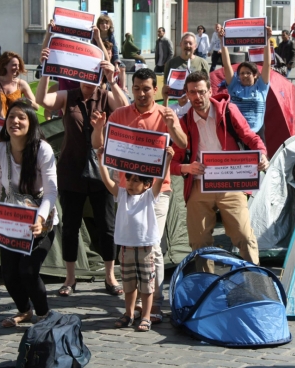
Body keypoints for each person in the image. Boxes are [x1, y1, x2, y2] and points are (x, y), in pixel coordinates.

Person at [91, 68, 186, 324]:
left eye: (146, 88)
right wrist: (99, 128)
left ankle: (153, 305)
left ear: (154, 89)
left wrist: (172, 126)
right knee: (131, 249)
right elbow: (99, 145)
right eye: (137, 88)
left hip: (157, 190)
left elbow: (183, 143)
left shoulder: (166, 113)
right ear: (131, 89)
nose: (142, 93)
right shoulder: (120, 114)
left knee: (152, 248)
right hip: (126, 190)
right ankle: (133, 308)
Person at [35, 47, 129, 297]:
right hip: (71, 170)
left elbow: (125, 109)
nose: (89, 81)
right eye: (85, 75)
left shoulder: (105, 94)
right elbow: (43, 101)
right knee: (70, 227)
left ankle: (110, 277)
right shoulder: (69, 96)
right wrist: (45, 71)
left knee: (107, 226)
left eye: (94, 75)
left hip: (101, 171)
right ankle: (70, 278)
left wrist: (112, 80)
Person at [170, 71, 269, 272]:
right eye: (192, 93)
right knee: (199, 241)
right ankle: (206, 285)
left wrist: (262, 155)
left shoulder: (229, 111)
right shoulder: (185, 121)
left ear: (209, 91)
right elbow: (174, 161)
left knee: (243, 234)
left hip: (230, 182)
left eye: (201, 92)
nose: (197, 97)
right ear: (186, 95)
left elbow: (251, 137)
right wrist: (187, 168)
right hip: (199, 183)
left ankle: (254, 280)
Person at [0, 100, 57, 327]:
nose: (15, 121)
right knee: (9, 275)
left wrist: (40, 219)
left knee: (28, 271)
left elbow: (51, 193)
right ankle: (24, 310)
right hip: (11, 223)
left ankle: (43, 315)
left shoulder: (43, 149)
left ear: (31, 122)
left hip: (42, 221)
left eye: (21, 117)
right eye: (11, 117)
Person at [97, 143, 174, 332]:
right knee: (129, 285)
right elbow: (107, 181)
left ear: (147, 184)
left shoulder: (149, 196)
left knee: (147, 286)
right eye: (128, 179)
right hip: (126, 248)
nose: (130, 184)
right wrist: (101, 161)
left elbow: (160, 179)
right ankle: (129, 313)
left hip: (146, 248)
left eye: (135, 181)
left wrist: (168, 160)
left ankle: (146, 316)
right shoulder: (122, 194)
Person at [220, 26, 272, 140]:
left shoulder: (261, 87)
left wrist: (267, 39)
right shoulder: (234, 85)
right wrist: (222, 41)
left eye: (248, 73)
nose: (244, 76)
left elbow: (267, 64)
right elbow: (227, 64)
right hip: (236, 131)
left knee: (259, 158)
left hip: (256, 132)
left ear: (255, 75)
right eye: (242, 73)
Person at [162, 32, 209, 106]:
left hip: (197, 103)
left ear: (195, 46)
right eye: (185, 43)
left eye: (190, 43)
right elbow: (166, 88)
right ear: (181, 44)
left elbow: (207, 87)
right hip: (176, 104)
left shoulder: (202, 63)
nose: (187, 45)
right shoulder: (171, 63)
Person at [0, 52, 38, 116]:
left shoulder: (21, 84)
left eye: (18, 65)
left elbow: (36, 107)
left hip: (15, 122)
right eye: (14, 65)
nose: (17, 68)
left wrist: (25, 100)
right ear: (4, 65)